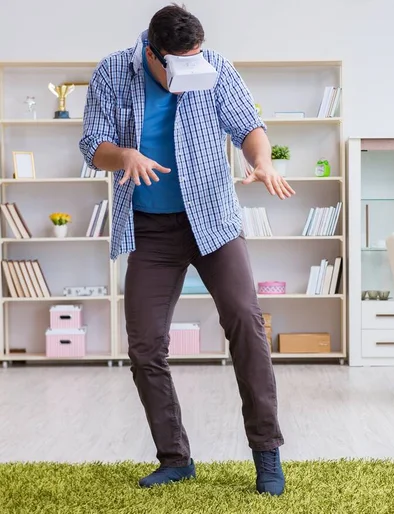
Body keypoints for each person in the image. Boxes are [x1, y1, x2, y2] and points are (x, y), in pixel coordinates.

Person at [79, 4, 294, 496]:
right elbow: (92, 144)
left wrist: (261, 162)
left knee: (245, 320)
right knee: (145, 345)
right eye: (180, 63)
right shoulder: (115, 70)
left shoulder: (216, 67)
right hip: (152, 231)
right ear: (153, 55)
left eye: (195, 59)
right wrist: (124, 155)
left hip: (214, 221)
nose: (190, 70)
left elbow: (248, 127)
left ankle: (267, 455)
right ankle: (175, 457)